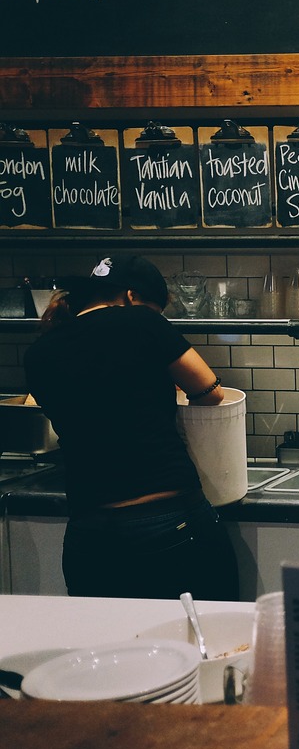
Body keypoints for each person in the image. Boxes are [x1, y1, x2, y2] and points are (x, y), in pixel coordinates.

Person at [23, 256, 240, 601]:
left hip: (89, 533)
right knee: (207, 639)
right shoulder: (141, 322)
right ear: (130, 296)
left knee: (113, 647)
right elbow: (210, 391)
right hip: (166, 521)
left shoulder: (39, 352)